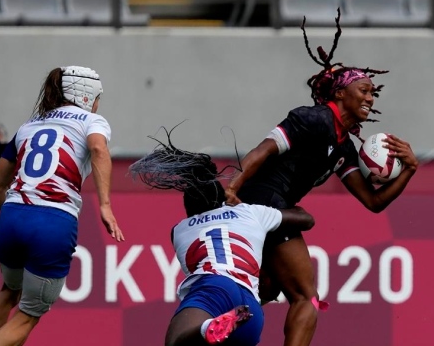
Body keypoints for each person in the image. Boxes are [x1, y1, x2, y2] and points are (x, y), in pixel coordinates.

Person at [224, 10, 420, 346]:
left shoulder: (343, 146)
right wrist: (232, 188)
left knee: (268, 288)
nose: (370, 98)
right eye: (364, 90)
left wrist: (410, 170)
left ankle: (216, 328)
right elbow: (264, 150)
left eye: (373, 93)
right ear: (340, 94)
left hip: (269, 209)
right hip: (264, 202)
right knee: (306, 297)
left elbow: (373, 202)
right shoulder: (313, 119)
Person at [0, 66, 125, 346]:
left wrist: (22, 216)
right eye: (98, 97)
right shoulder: (91, 121)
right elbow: (98, 149)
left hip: (12, 215)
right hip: (53, 220)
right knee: (28, 315)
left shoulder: (29, 125)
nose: (99, 104)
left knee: (10, 289)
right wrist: (106, 205)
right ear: (87, 97)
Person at [129, 129, 315, 346]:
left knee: (177, 342)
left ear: (189, 211)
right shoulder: (249, 213)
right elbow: (306, 219)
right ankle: (215, 328)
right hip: (250, 305)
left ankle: (208, 329)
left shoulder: (179, 230)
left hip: (213, 289)